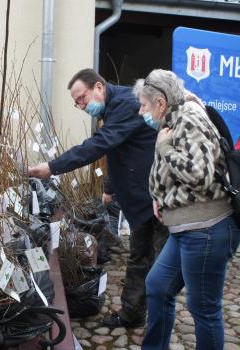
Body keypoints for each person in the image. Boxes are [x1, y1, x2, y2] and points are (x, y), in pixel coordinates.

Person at [27, 68, 168, 328]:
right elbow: (120, 150)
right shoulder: (112, 109)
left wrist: (52, 167)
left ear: (99, 87)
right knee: (139, 258)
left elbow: (99, 145)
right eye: (76, 102)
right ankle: (132, 315)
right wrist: (109, 189)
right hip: (139, 201)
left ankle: (158, 325)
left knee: (161, 268)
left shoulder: (126, 104)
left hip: (156, 201)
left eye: (82, 98)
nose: (80, 105)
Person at [135, 69, 240, 350]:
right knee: (158, 286)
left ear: (160, 102)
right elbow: (173, 174)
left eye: (144, 105)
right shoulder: (172, 119)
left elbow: (199, 175)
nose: (140, 112)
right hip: (186, 228)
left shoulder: (189, 119)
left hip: (206, 228)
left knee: (204, 308)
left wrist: (166, 148)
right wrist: (161, 196)